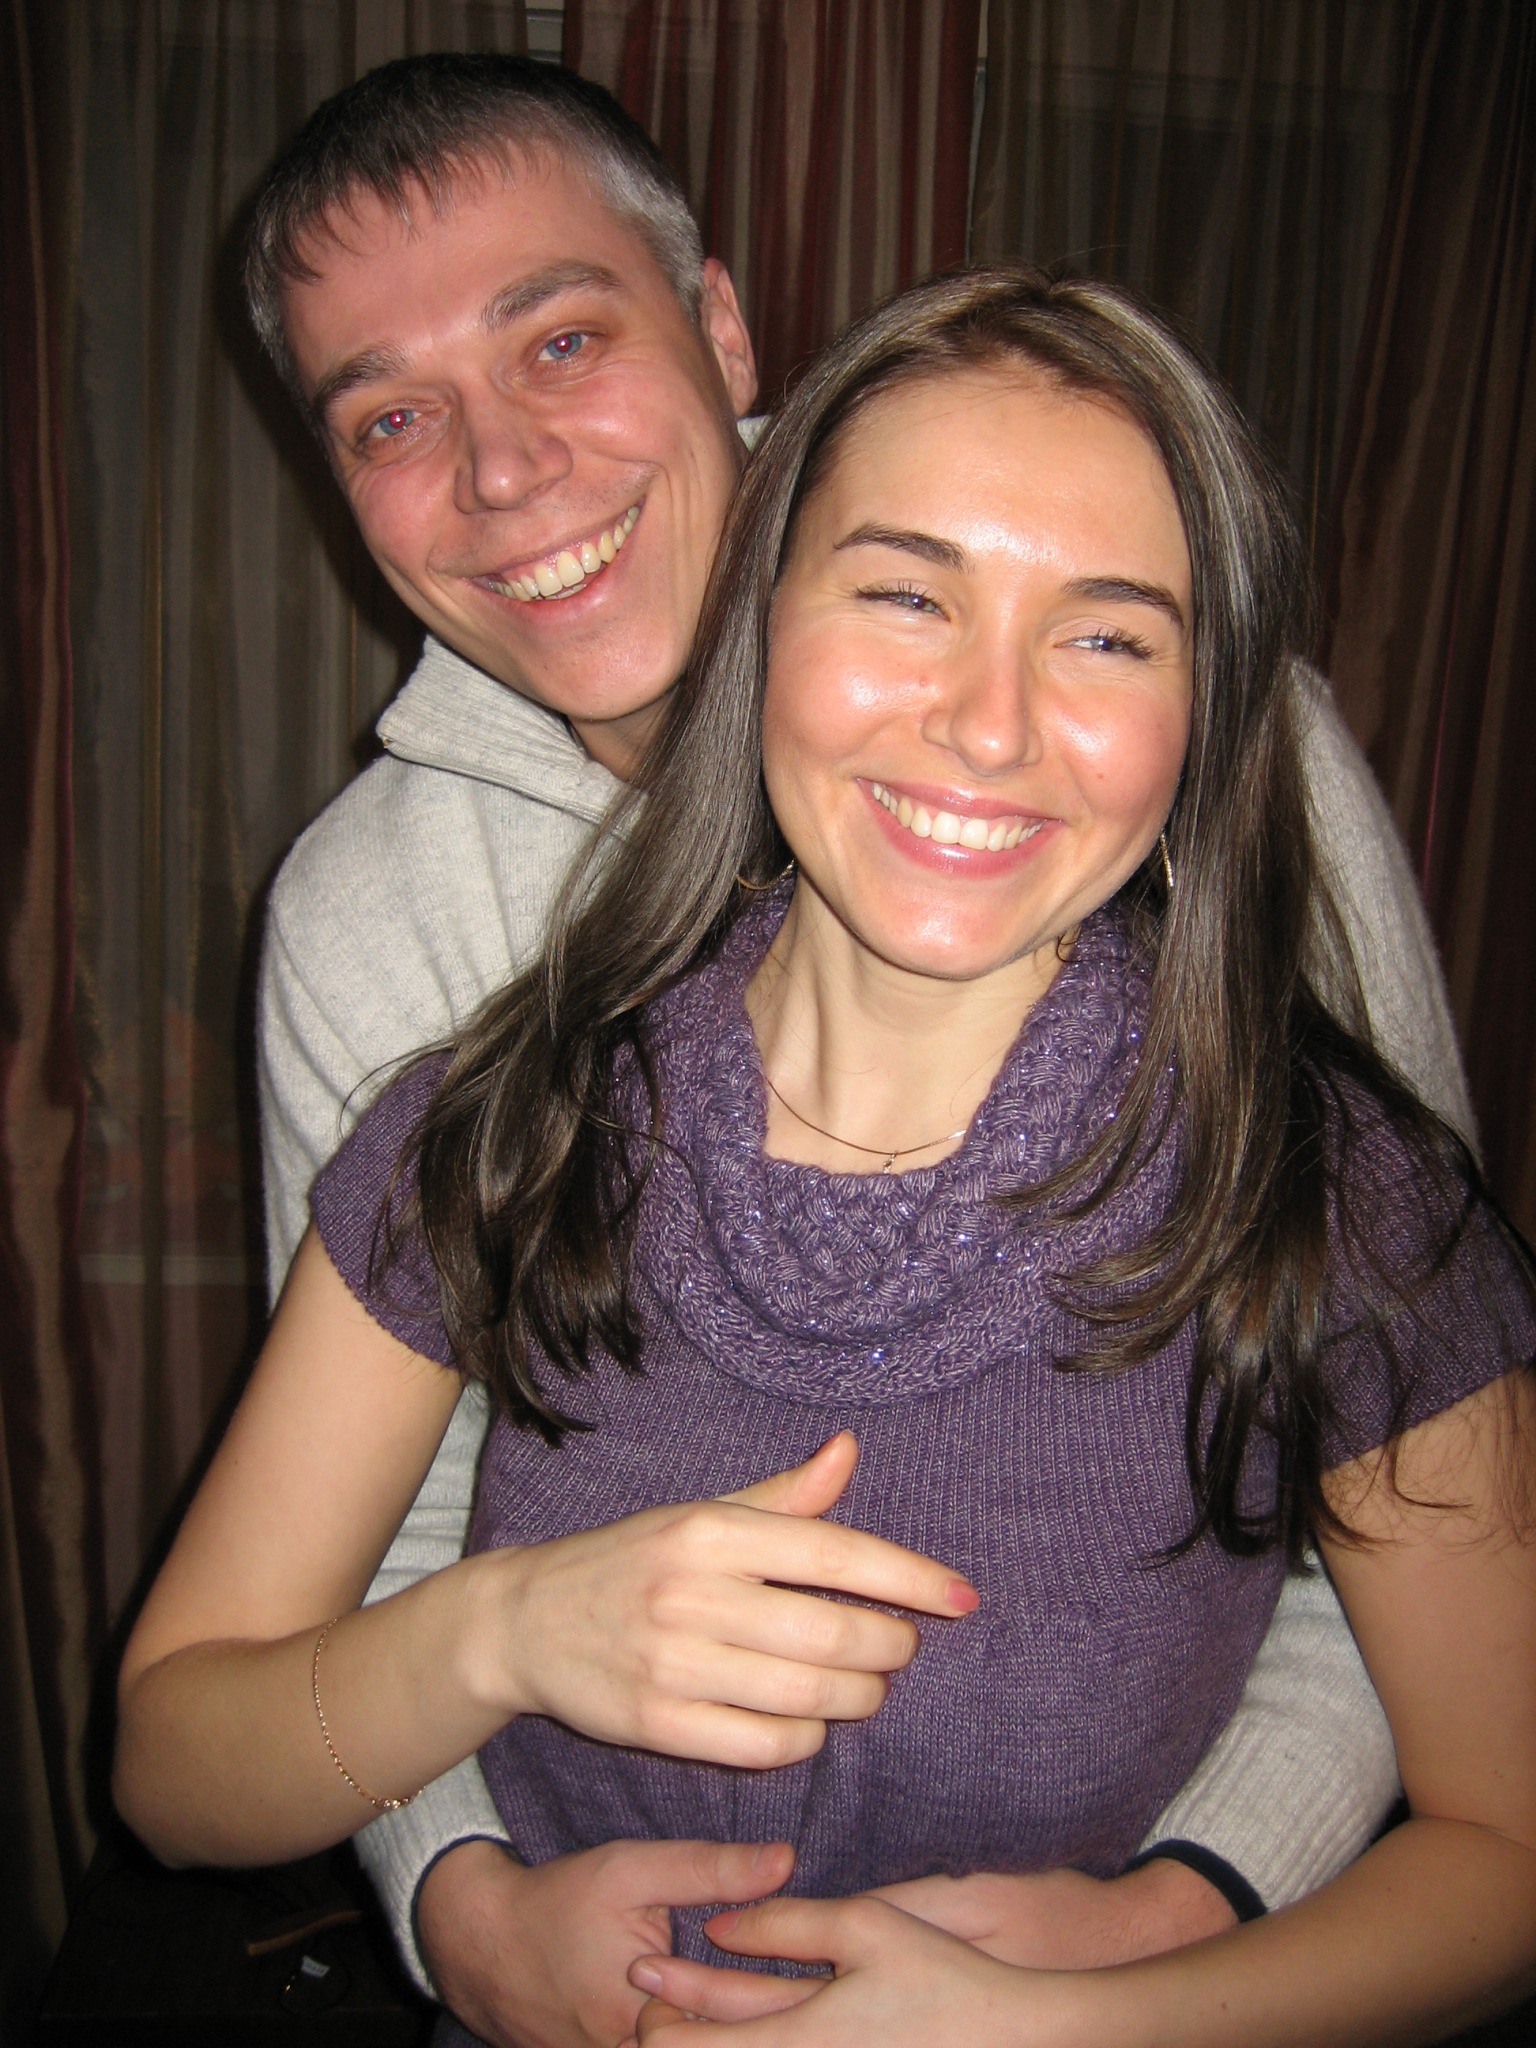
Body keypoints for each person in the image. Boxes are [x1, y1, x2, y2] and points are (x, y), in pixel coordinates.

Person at [116, 264, 1536, 2048]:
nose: (991, 723)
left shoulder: (1334, 1192)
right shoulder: (502, 1128)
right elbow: (177, 1764)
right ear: (760, 623)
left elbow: (1506, 1848)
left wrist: (1075, 2023)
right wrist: (505, 1634)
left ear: (1210, 716)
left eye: (1108, 636)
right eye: (905, 595)